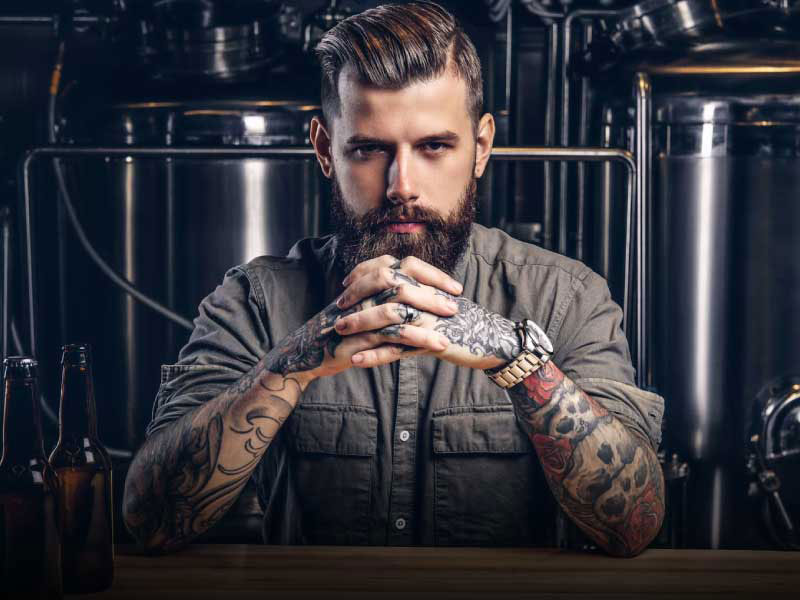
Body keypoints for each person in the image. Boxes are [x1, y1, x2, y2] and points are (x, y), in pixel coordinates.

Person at [122, 1, 666, 557]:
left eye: (434, 146)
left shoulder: (565, 297)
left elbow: (632, 528)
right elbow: (152, 520)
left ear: (480, 147)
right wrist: (289, 365)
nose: (401, 184)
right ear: (324, 149)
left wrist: (516, 358)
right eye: (369, 149)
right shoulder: (255, 302)